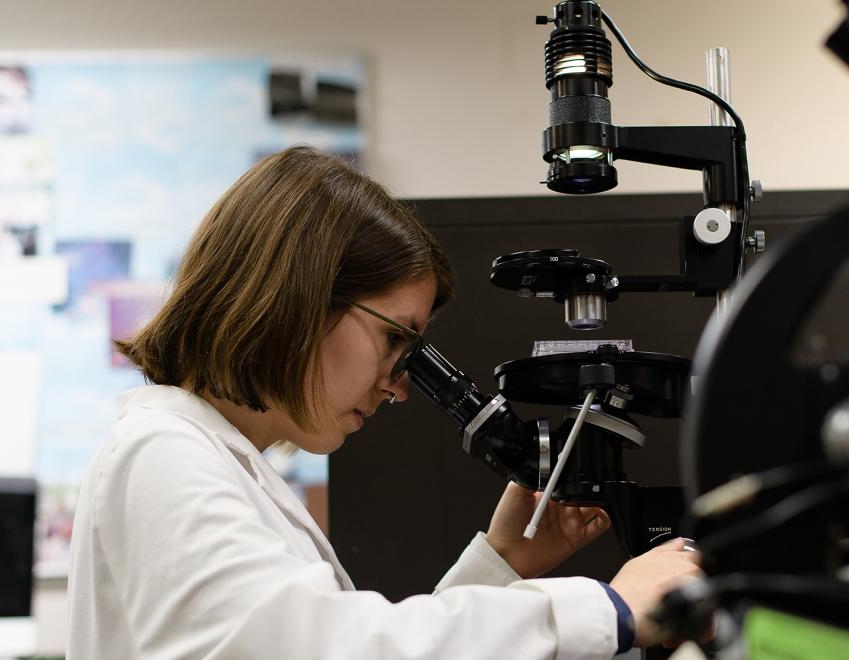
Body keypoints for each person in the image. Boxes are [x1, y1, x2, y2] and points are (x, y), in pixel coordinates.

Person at [67, 146, 701, 659]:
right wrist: (608, 611)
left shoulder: (226, 463)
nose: (399, 385)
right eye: (396, 338)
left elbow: (341, 642)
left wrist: (504, 563)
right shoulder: (163, 453)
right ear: (299, 299)